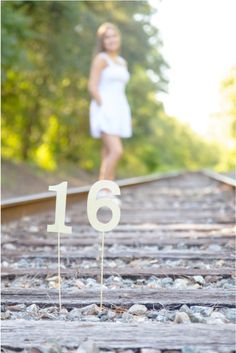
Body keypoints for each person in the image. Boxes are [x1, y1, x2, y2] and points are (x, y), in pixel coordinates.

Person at [88, 22, 132, 201]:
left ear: (119, 38)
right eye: (107, 37)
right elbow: (92, 86)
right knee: (116, 151)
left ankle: (106, 192)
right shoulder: (101, 59)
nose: (111, 40)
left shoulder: (122, 62)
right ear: (102, 41)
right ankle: (102, 190)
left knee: (107, 152)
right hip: (104, 109)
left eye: (114, 36)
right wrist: (103, 105)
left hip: (120, 109)